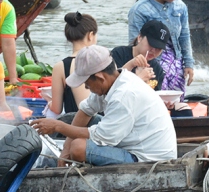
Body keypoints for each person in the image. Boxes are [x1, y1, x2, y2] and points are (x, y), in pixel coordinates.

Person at [30, 45, 176, 166]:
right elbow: (84, 111)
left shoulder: (123, 96)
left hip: (148, 158)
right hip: (131, 139)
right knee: (83, 122)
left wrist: (58, 127)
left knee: (79, 147)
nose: (87, 88)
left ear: (100, 77)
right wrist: (64, 153)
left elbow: (102, 136)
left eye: (87, 83)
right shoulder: (113, 82)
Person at [128, 0, 195, 93]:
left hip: (176, 64)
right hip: (152, 64)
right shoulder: (140, 10)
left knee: (174, 102)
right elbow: (134, 43)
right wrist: (141, 69)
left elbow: (184, 36)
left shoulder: (180, 7)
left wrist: (188, 64)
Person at [48, 12, 99, 116]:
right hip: (103, 125)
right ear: (90, 35)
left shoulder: (60, 67)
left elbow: (56, 109)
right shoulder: (103, 61)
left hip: (73, 128)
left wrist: (50, 103)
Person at [112, 19, 169, 90]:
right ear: (139, 38)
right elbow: (111, 88)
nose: (153, 50)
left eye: (158, 48)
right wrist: (139, 78)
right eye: (151, 44)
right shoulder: (118, 54)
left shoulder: (157, 70)